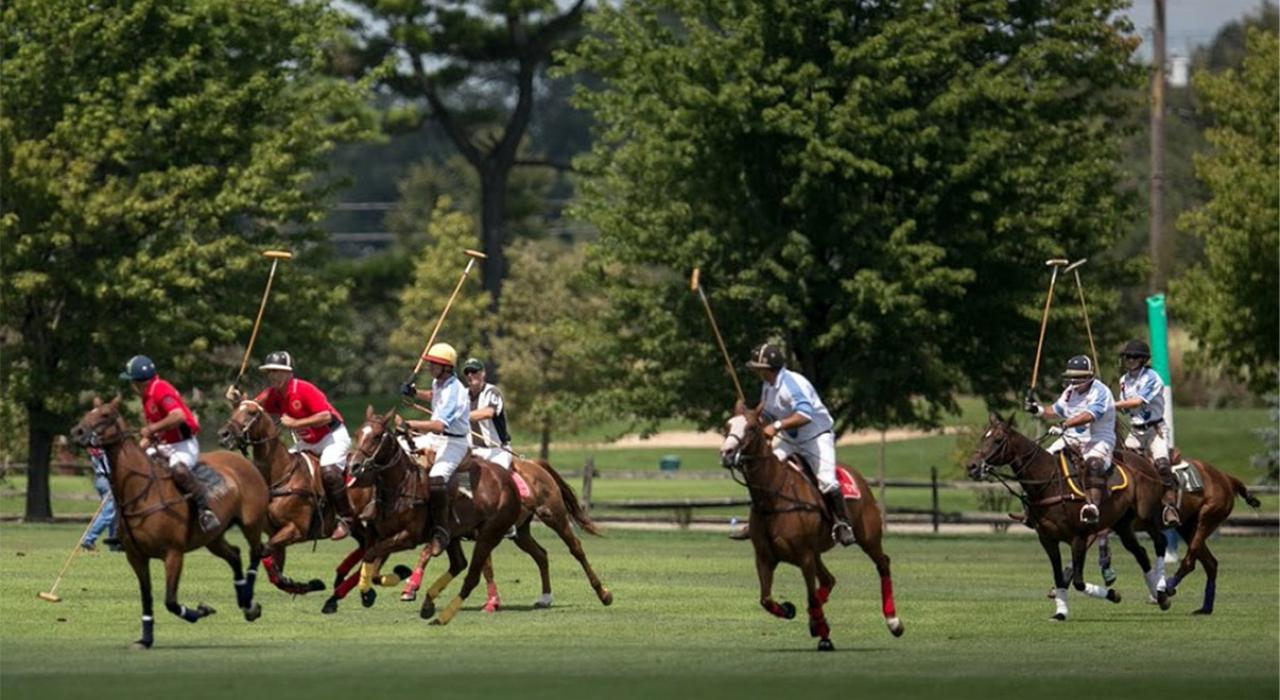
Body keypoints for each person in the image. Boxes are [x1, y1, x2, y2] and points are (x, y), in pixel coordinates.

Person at [233, 351, 358, 541]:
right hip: (307, 440)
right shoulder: (272, 394)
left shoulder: (304, 389)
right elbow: (251, 409)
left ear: (289, 373)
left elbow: (326, 416)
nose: (272, 375)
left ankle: (346, 518)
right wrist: (235, 400)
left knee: (330, 471)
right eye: (269, 372)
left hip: (331, 436)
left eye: (277, 371)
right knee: (281, 469)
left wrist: (295, 424)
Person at [745, 342, 856, 546]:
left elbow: (805, 415)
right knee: (764, 469)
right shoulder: (768, 385)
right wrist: (753, 417)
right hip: (790, 439)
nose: (755, 371)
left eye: (757, 368)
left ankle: (843, 523)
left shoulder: (793, 384)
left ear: (768, 368)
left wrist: (776, 426)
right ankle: (756, 521)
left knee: (827, 481)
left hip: (815, 437)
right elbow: (768, 413)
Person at [121, 355, 219, 532]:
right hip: (164, 445)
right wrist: (142, 444)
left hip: (183, 444)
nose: (131, 386)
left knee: (179, 471)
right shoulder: (147, 395)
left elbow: (178, 416)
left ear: (138, 382)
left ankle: (206, 510)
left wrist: (150, 430)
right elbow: (156, 430)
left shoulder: (160, 389)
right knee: (140, 468)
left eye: (132, 381)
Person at [1025, 355, 1117, 525]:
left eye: (1079, 376)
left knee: (1094, 464)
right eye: (1072, 376)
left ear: (1090, 376)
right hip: (1071, 437)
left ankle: (1092, 507)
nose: (1074, 380)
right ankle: (1034, 508)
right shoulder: (1069, 392)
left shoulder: (1101, 391)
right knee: (1042, 462)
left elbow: (1089, 415)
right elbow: (1055, 410)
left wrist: (1065, 424)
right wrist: (1037, 410)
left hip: (1097, 438)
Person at [400, 343, 469, 556]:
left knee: (437, 480)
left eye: (434, 364)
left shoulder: (455, 391)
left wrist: (410, 424)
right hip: (434, 438)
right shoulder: (439, 382)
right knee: (397, 449)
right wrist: (414, 392)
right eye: (429, 363)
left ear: (446, 368)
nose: (430, 367)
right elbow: (433, 395)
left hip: (454, 442)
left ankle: (440, 530)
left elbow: (440, 425)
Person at [1115, 339, 1180, 526]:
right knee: (1119, 463)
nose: (1129, 359)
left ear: (1142, 360)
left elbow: (1137, 402)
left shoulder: (1152, 378)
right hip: (1135, 431)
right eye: (1127, 356)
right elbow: (1126, 408)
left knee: (1161, 465)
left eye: (1134, 357)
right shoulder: (1124, 381)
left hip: (1154, 430)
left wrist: (1110, 405)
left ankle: (1170, 507)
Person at [462, 358, 513, 469]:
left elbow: (489, 412)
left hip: (497, 451)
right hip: (473, 451)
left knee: (499, 479)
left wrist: (461, 416)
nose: (470, 375)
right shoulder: (462, 394)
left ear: (483, 373)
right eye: (467, 372)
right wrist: (416, 393)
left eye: (474, 371)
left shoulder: (492, 391)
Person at [81, 447, 121, 552]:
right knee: (109, 512)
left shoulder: (95, 445)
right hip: (107, 478)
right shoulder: (103, 448)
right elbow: (108, 467)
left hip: (100, 479)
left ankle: (113, 543)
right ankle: (88, 539)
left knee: (114, 513)